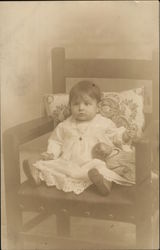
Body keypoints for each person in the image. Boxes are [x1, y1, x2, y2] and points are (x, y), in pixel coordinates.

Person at [23, 81, 135, 196]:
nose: (81, 108)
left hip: (93, 163)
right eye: (76, 104)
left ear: (98, 107)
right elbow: (56, 141)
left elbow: (114, 136)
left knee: (102, 169)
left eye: (87, 104)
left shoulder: (104, 123)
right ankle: (35, 172)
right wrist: (51, 153)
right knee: (53, 166)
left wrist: (123, 136)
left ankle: (103, 183)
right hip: (68, 163)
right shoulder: (64, 125)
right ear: (70, 106)